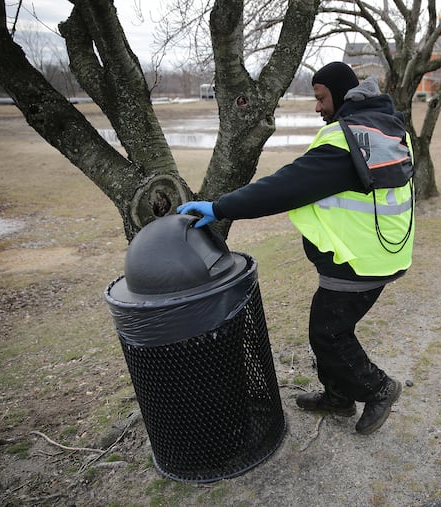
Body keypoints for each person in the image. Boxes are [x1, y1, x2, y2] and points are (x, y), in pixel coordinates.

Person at [177, 62, 415, 434]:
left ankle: (379, 389)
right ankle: (337, 398)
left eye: (321, 98)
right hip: (382, 251)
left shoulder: (345, 141)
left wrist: (220, 207)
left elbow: (286, 186)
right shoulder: (385, 128)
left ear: (341, 94)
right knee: (326, 327)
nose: (317, 107)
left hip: (359, 260)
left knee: (329, 333)